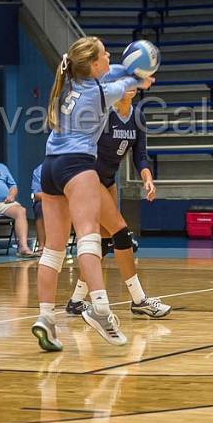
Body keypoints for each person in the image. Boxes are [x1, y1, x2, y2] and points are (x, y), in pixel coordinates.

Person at [31, 36, 152, 352]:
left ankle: (45, 317)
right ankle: (99, 309)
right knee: (88, 237)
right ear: (94, 64)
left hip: (50, 167)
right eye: (104, 53)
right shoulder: (100, 94)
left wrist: (129, 71)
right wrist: (143, 73)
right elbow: (126, 83)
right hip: (77, 166)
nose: (109, 55)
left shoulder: (70, 79)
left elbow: (114, 73)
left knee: (53, 250)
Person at [65, 85, 171, 318]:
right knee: (122, 234)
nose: (131, 85)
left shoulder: (137, 116)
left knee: (103, 242)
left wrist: (147, 178)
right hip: (89, 178)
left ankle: (75, 301)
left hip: (109, 181)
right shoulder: (104, 115)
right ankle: (139, 300)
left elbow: (140, 156)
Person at [30, 163, 45, 254]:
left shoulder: (70, 165)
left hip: (68, 201)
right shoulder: (40, 169)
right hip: (49, 200)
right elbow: (36, 195)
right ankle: (42, 245)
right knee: (39, 206)